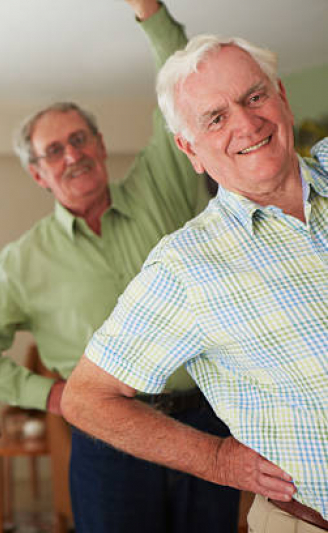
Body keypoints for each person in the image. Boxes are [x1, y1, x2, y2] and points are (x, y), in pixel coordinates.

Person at [0, 1, 239, 531]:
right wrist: (54, 396)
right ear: (38, 175)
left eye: (80, 139)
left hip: (205, 424)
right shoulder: (22, 262)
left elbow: (180, 80)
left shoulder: (162, 186)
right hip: (109, 440)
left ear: (101, 146)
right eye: (54, 150)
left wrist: (149, 11)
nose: (72, 155)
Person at [61, 29, 328, 532]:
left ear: (282, 98)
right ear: (191, 149)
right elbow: (86, 398)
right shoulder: (187, 266)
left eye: (255, 96)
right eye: (216, 118)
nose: (247, 123)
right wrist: (219, 459)